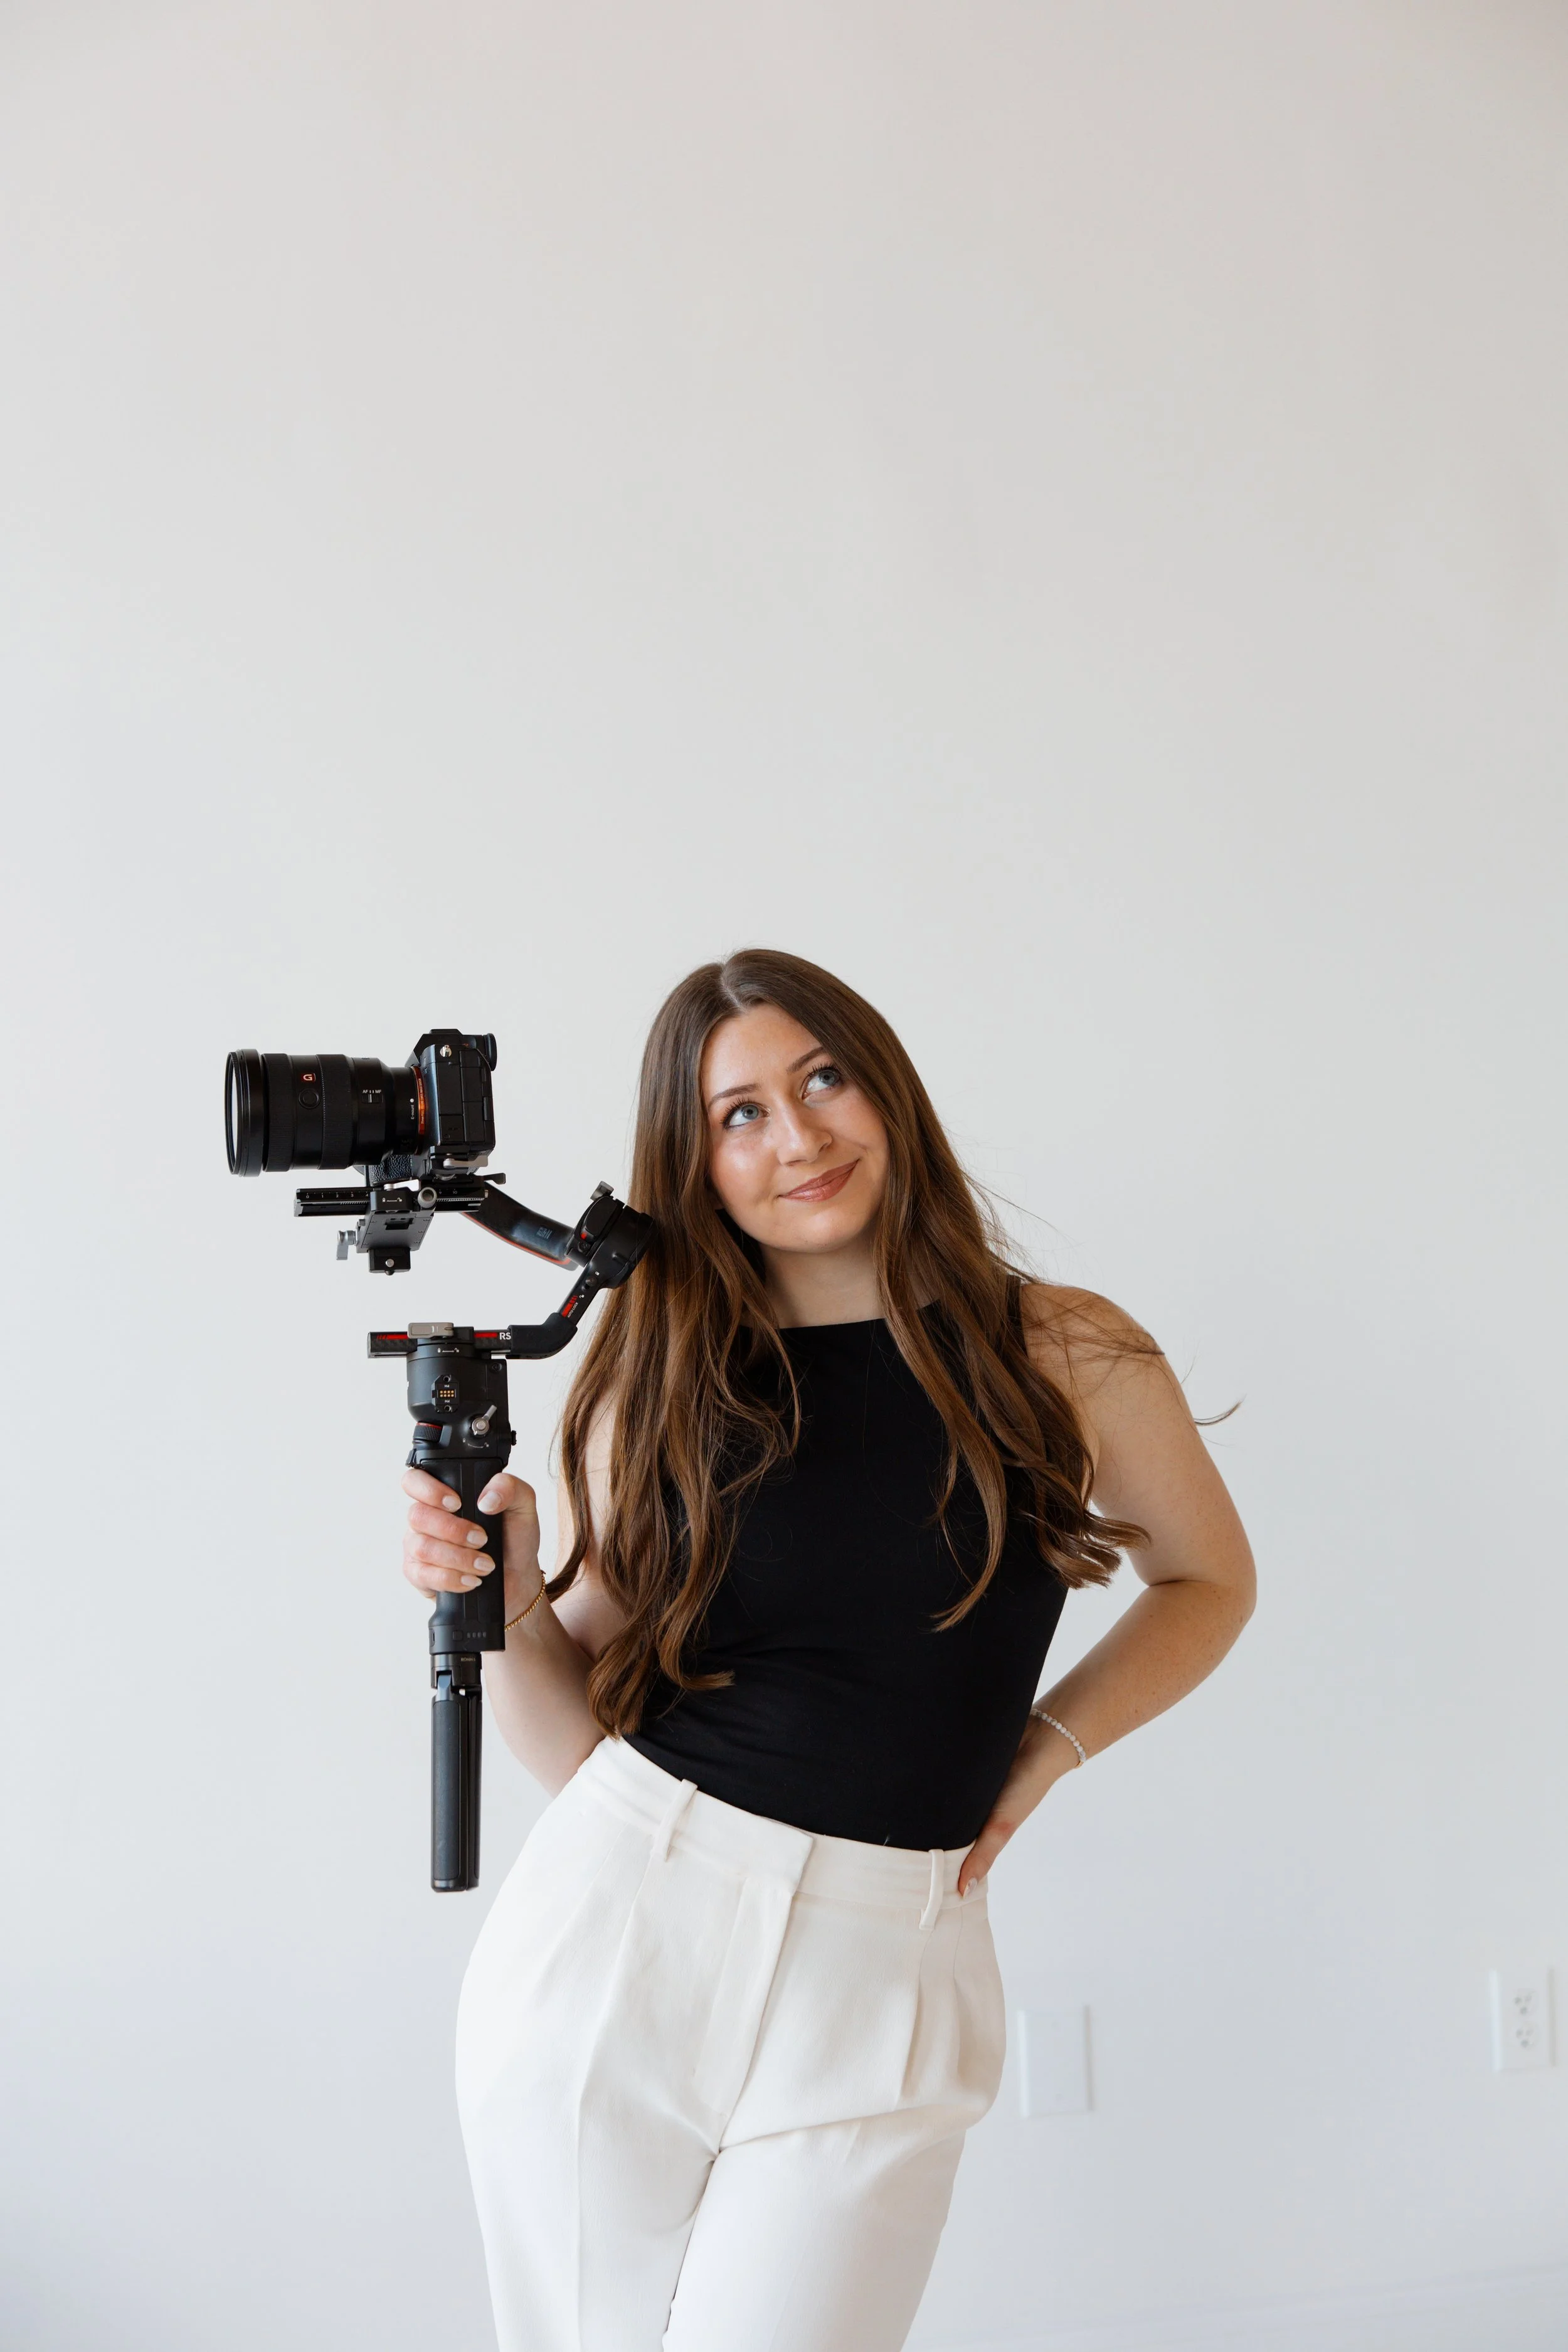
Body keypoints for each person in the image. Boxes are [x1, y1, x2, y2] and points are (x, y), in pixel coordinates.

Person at [399, 948, 1254, 2352]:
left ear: (886, 1092)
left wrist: (1042, 1751)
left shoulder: (1065, 1352)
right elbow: (578, 1743)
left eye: (821, 1079)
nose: (794, 1137)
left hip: (892, 1959)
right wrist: (500, 1609)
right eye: (738, 1114)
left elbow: (1208, 1579)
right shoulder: (660, 1384)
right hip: (622, 1927)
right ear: (694, 1161)